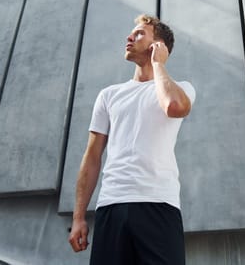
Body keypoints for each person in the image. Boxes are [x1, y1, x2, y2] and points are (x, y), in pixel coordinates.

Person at [68, 14, 195, 264]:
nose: (129, 37)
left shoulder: (182, 88)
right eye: (131, 33)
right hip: (112, 205)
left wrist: (158, 64)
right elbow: (93, 156)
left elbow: (174, 107)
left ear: (158, 45)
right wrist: (78, 217)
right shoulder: (108, 95)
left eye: (139, 34)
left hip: (159, 204)